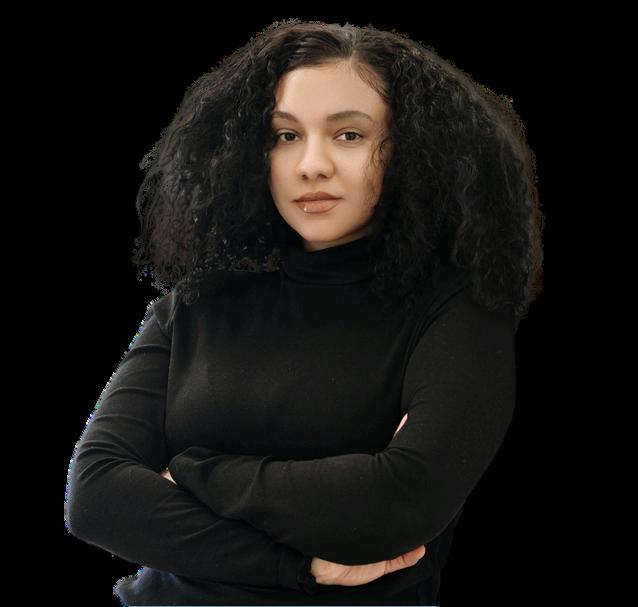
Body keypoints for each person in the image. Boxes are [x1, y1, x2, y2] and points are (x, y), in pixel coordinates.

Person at [64, 18, 544, 606]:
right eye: (285, 135)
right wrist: (300, 566)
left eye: (349, 135)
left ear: (414, 151)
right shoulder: (196, 304)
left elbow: (397, 505)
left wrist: (191, 471)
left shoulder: (459, 312)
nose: (311, 165)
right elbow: (97, 499)